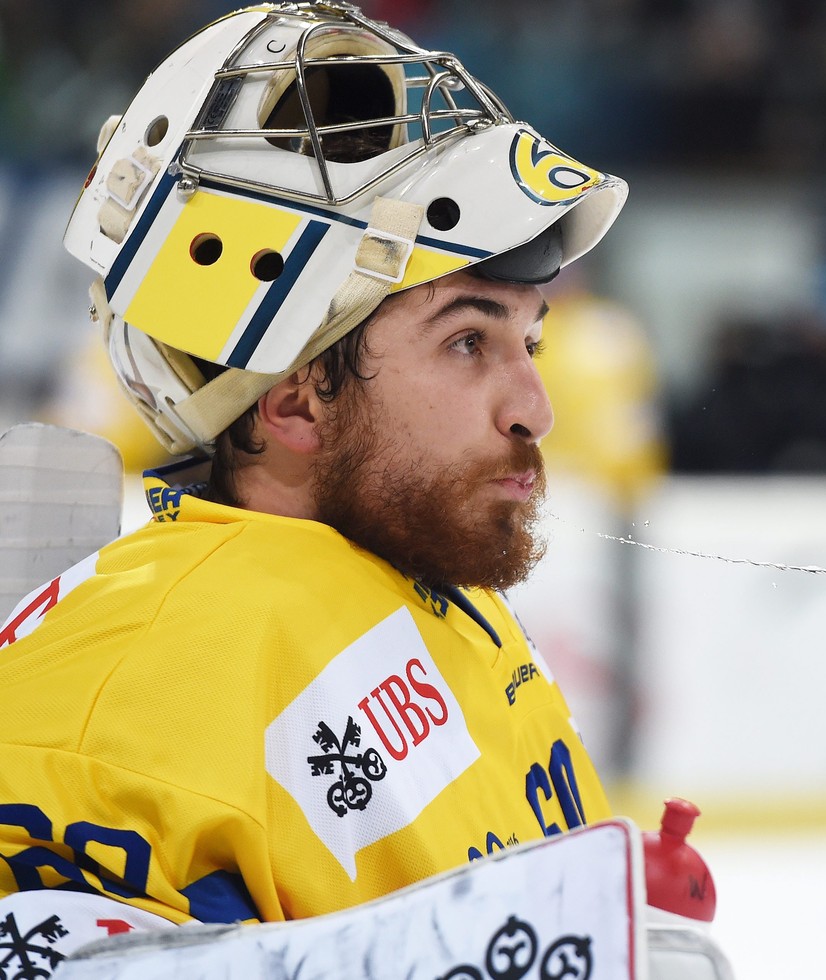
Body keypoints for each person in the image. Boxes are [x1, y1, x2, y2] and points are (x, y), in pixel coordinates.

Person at [0, 0, 630, 960]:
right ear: (295, 404)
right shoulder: (122, 699)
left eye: (528, 341)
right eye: (468, 341)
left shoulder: (430, 577)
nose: (534, 409)